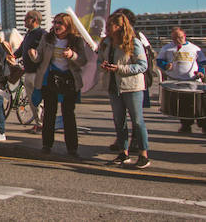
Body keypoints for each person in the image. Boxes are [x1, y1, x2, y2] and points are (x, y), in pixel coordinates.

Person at [29, 13, 88, 157]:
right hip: (50, 79)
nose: (56, 25)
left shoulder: (76, 40)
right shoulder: (47, 38)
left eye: (60, 23)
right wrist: (33, 55)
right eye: (55, 22)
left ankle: (72, 148)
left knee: (68, 114)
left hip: (69, 80)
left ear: (68, 26)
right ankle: (47, 145)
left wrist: (72, 55)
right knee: (49, 113)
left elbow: (83, 61)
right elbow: (39, 58)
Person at [98, 12, 151, 169]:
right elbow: (99, 60)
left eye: (110, 26)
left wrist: (120, 68)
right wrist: (103, 66)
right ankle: (123, 152)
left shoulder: (133, 42)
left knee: (137, 121)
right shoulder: (106, 43)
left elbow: (142, 65)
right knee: (119, 121)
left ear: (120, 27)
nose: (107, 29)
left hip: (131, 86)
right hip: (113, 86)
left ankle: (143, 154)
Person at [156, 26, 205, 133]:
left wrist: (201, 72)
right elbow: (159, 61)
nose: (177, 40)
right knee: (184, 105)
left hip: (193, 80)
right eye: (174, 38)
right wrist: (165, 65)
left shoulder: (195, 48)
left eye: (180, 37)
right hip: (177, 81)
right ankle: (186, 125)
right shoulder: (167, 48)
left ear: (184, 36)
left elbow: (201, 62)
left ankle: (203, 125)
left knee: (199, 105)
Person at [15, 10, 45, 132]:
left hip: (38, 73)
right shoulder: (28, 34)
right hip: (28, 72)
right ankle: (38, 123)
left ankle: (42, 124)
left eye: (27, 18)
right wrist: (12, 55)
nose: (24, 20)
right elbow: (22, 49)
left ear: (34, 20)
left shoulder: (42, 34)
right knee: (32, 101)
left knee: (40, 101)